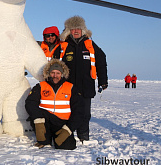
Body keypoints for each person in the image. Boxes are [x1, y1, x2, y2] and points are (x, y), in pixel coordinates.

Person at [59, 15, 108, 143]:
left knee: (85, 113)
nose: (75, 31)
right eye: (73, 29)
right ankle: (67, 135)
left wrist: (103, 81)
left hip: (86, 85)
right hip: (67, 87)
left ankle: (83, 136)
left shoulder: (90, 45)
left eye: (78, 29)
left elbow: (101, 62)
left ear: (83, 30)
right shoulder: (64, 46)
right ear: (68, 31)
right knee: (67, 112)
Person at [25, 59, 84, 150]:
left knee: (67, 146)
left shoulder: (71, 88)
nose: (55, 76)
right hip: (44, 122)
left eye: (58, 73)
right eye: (52, 72)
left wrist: (68, 129)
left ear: (62, 74)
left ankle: (60, 136)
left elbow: (79, 111)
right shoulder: (40, 86)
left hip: (62, 123)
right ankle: (45, 139)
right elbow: (30, 103)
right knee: (44, 143)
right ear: (48, 73)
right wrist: (38, 121)